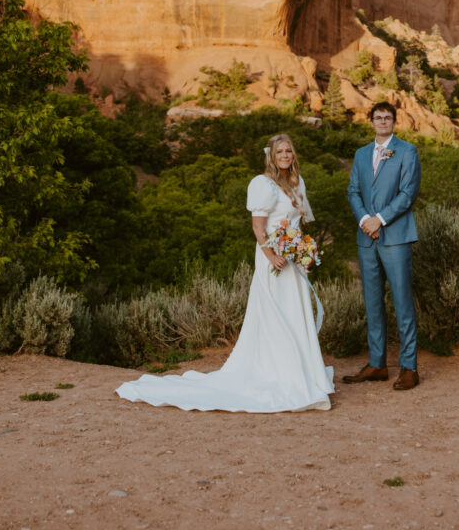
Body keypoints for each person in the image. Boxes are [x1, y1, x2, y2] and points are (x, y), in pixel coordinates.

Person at [116, 134, 334, 412]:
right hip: (272, 258)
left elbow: (298, 224)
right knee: (276, 313)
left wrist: (303, 252)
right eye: (280, 151)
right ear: (271, 155)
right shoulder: (263, 184)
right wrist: (272, 256)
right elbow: (258, 227)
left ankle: (303, 374)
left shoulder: (297, 182)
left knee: (295, 311)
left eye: (289, 150)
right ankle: (279, 374)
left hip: (293, 259)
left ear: (294, 154)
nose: (285, 155)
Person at [343, 101, 421, 390]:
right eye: (378, 118)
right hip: (367, 238)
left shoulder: (407, 151)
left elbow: (408, 193)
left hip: (396, 237)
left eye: (388, 118)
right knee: (372, 303)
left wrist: (380, 219)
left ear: (394, 122)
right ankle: (377, 364)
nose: (383, 122)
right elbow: (353, 191)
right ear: (371, 122)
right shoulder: (361, 154)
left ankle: (409, 367)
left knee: (402, 302)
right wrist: (365, 219)